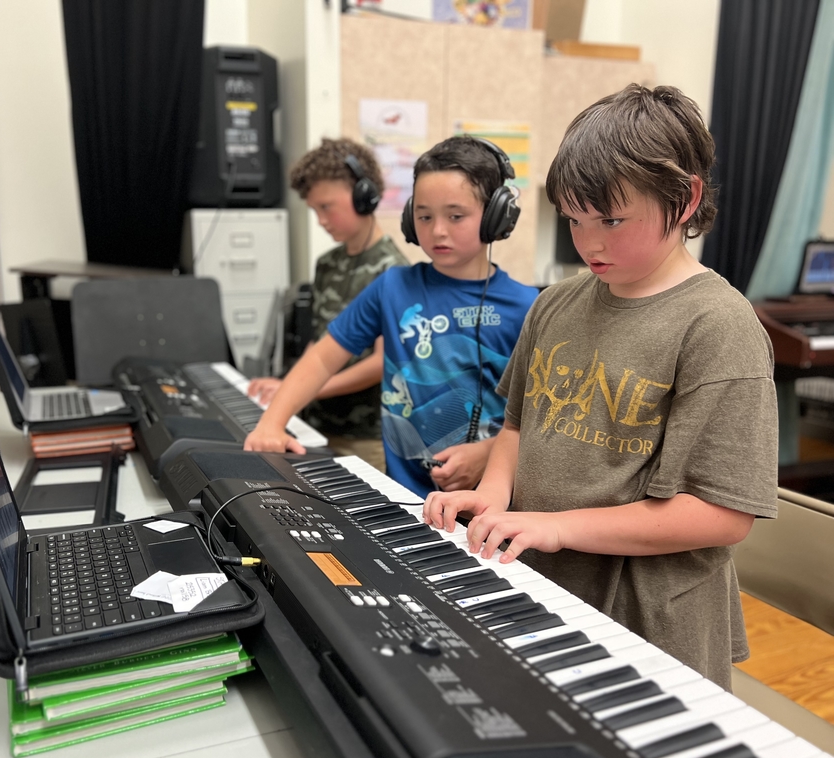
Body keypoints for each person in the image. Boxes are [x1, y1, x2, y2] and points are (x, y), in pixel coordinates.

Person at [422, 84, 778, 690]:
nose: (588, 242)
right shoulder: (554, 304)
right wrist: (495, 494)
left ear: (685, 200)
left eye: (611, 219)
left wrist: (557, 526)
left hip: (650, 623)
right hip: (542, 588)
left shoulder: (719, 326)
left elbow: (721, 515)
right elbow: (518, 425)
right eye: (574, 219)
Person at [245, 135, 539, 498]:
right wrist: (272, 423)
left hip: (490, 507)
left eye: (455, 216)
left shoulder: (527, 305)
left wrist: (488, 453)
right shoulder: (392, 287)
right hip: (404, 498)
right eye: (424, 216)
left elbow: (545, 419)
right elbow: (322, 358)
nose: (437, 230)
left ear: (496, 216)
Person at [248, 138, 409, 470]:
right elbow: (321, 343)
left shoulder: (392, 271)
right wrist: (290, 385)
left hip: (365, 438)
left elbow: (381, 363)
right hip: (316, 426)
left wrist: (310, 389)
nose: (321, 220)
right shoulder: (327, 264)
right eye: (315, 210)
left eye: (327, 207)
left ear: (364, 197)